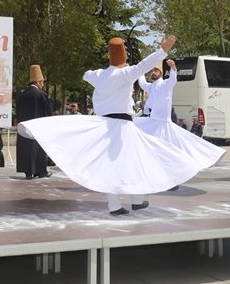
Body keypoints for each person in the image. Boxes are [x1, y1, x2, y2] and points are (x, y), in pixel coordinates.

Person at [18, 35, 202, 216]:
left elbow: (86, 74)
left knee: (113, 165)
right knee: (132, 163)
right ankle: (130, 202)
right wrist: (162, 50)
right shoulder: (124, 74)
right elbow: (144, 65)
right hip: (122, 126)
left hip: (104, 124)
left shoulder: (99, 75)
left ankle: (125, 203)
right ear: (125, 58)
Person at [134, 59, 225, 190]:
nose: (153, 72)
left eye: (156, 70)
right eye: (152, 71)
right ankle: (155, 179)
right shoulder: (151, 87)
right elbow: (142, 83)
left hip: (163, 124)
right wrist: (140, 70)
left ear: (160, 73)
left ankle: (172, 181)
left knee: (167, 154)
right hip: (152, 123)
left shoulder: (165, 84)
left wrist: (173, 68)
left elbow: (173, 80)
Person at [15, 64, 53, 179]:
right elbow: (48, 114)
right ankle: (40, 171)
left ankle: (28, 172)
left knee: (26, 148)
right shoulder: (42, 95)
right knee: (37, 149)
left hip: (25, 127)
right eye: (42, 82)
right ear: (38, 82)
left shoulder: (23, 95)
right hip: (38, 127)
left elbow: (18, 112)